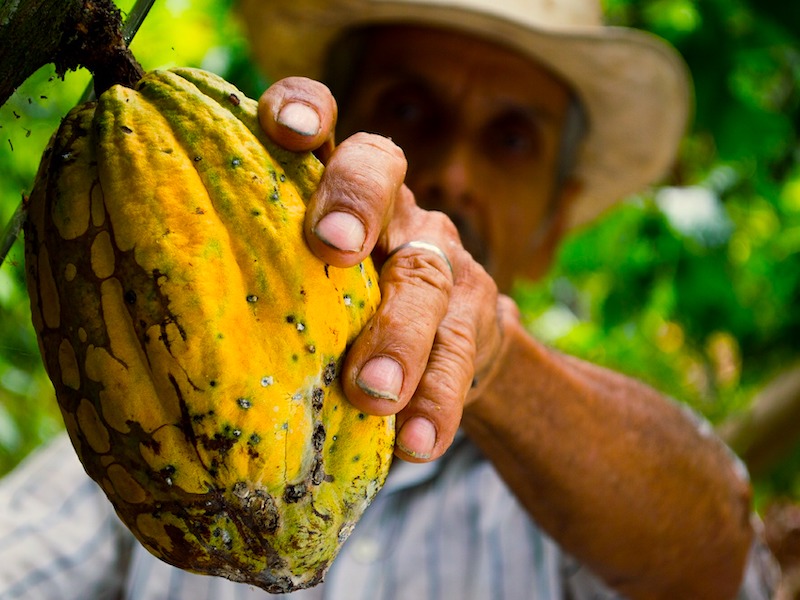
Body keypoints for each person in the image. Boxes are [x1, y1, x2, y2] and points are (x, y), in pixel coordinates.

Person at [0, 0, 780, 598]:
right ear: (323, 134)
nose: (454, 174)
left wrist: (495, 360)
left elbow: (718, 554)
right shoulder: (132, 424)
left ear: (554, 222)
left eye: (511, 139)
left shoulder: (579, 505)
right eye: (409, 111)